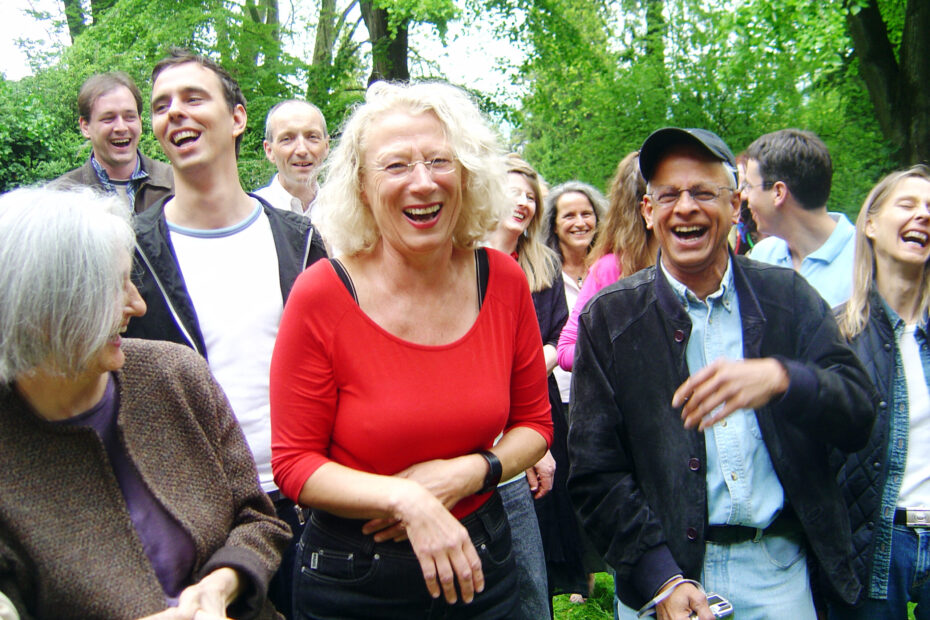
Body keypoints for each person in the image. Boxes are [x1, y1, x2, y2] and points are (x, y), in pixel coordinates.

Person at [567, 127, 877, 619]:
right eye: (668, 195)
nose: (685, 207)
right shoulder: (610, 317)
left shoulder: (788, 298)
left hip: (778, 573)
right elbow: (594, 470)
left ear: (736, 206)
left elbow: (860, 413)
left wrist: (782, 379)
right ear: (648, 213)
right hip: (663, 581)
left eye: (703, 193)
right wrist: (659, 578)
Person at [269, 81, 552, 619]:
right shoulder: (323, 293)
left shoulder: (504, 280)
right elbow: (294, 463)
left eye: (440, 161)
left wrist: (468, 473)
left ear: (467, 177)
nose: (422, 183)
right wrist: (408, 499)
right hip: (354, 577)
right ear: (360, 186)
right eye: (396, 166)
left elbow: (536, 426)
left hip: (482, 563)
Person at [0, 187, 289, 619]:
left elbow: (259, 519)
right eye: (112, 288)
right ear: (42, 309)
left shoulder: (174, 375)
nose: (138, 303)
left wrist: (220, 585)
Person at [124, 49, 328, 618]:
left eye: (194, 98)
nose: (175, 113)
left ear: (237, 118)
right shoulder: (129, 253)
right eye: (162, 105)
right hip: (200, 518)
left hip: (313, 501)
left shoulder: (303, 242)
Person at [831, 165, 930, 619]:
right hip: (871, 545)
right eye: (908, 205)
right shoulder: (835, 335)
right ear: (870, 224)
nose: (924, 215)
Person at [486, 154, 568, 618]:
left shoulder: (542, 265)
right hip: (476, 439)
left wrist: (533, 443)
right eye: (512, 192)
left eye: (530, 196)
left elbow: (559, 333)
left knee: (531, 585)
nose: (523, 202)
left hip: (529, 416)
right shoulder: (460, 259)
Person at [556, 151, 655, 372]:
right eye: (668, 195)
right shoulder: (610, 269)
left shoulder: (695, 267)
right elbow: (566, 351)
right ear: (645, 206)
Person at [744, 129, 855, 307]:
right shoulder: (762, 256)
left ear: (778, 193)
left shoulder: (865, 258)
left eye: (748, 186)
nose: (743, 196)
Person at [51, 72, 174, 213]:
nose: (121, 127)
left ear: (140, 122)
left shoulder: (175, 185)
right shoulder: (60, 196)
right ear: (85, 127)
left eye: (129, 117)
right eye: (108, 119)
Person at [542, 180, 606, 406]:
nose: (580, 223)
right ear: (554, 225)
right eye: (569, 216)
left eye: (587, 214)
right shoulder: (542, 278)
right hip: (559, 398)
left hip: (606, 393)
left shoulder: (610, 270)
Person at [254, 99, 330, 219]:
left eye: (312, 137)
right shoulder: (253, 213)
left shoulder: (344, 213)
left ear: (326, 146)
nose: (302, 150)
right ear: (269, 150)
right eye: (287, 139)